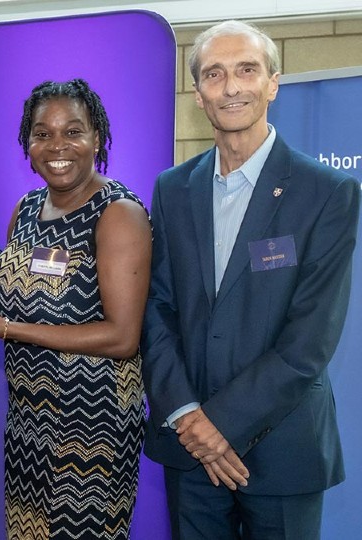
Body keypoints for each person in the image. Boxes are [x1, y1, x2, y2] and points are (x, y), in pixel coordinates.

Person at [141, 20, 360, 539]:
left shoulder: (326, 192)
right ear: (198, 93)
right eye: (214, 74)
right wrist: (189, 417)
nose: (231, 86)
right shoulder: (173, 189)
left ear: (273, 83)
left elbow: (310, 340)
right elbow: (157, 308)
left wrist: (217, 427)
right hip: (189, 451)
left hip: (282, 450)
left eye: (247, 70)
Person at [0, 79, 151, 539]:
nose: (57, 146)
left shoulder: (118, 213)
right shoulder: (26, 210)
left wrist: (7, 329)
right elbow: (12, 300)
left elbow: (122, 336)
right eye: (42, 133)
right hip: (29, 424)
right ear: (27, 143)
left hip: (92, 430)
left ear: (97, 138)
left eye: (73, 131)